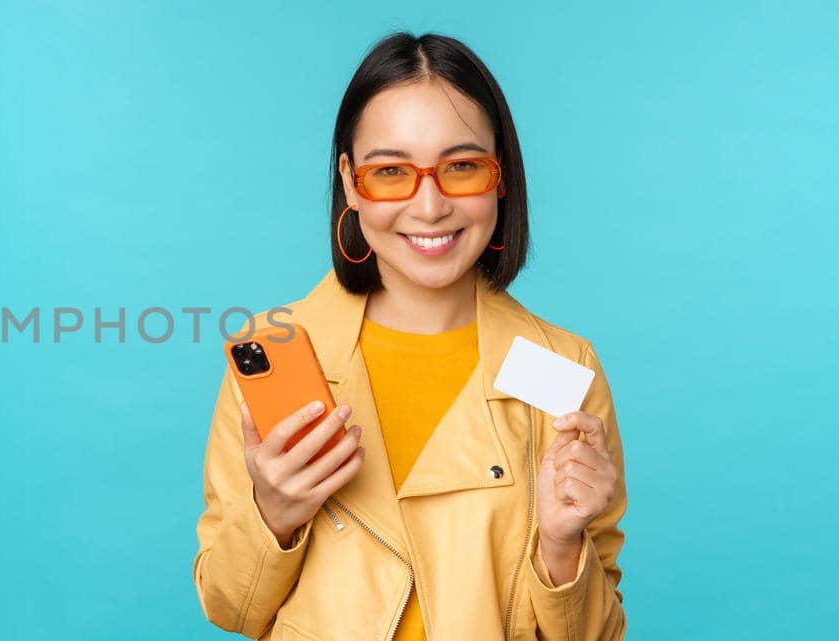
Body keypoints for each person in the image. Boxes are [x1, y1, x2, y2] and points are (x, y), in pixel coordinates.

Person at [192, 32, 627, 640]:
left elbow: (597, 634)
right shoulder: (276, 354)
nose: (429, 207)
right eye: (391, 171)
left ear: (500, 177)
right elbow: (228, 608)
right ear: (350, 181)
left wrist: (561, 547)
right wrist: (274, 515)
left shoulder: (561, 368)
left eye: (462, 167)